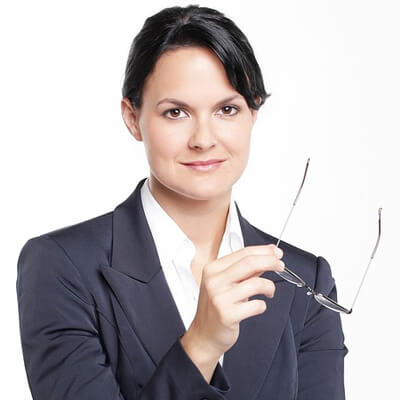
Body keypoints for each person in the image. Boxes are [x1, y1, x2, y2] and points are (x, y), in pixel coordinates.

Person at [16, 4, 348, 399]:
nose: (203, 139)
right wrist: (201, 345)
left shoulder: (307, 281)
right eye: (176, 112)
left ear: (253, 113)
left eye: (227, 109)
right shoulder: (61, 267)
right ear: (132, 117)